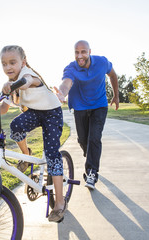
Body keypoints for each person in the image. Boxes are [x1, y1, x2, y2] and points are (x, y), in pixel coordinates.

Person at [0, 45, 67, 222]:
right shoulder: (11, 86)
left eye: (12, 62)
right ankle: (27, 154)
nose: (8, 67)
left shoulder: (28, 74)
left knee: (52, 154)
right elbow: (2, 108)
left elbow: (26, 81)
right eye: (4, 64)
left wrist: (12, 85)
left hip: (52, 113)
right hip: (34, 112)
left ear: (23, 62)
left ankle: (60, 203)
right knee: (16, 125)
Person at [55, 40, 119, 190]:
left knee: (94, 138)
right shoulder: (71, 68)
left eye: (83, 52)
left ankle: (91, 172)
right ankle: (89, 153)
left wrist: (116, 95)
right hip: (80, 106)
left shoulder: (102, 62)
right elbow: (66, 83)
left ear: (90, 51)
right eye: (77, 52)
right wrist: (62, 93)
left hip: (99, 105)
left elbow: (113, 75)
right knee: (83, 140)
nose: (80, 56)